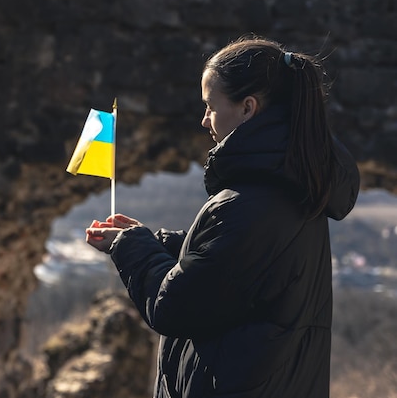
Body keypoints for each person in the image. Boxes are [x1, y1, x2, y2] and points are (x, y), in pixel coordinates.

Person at [85, 36, 360, 398]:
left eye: (210, 106)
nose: (203, 120)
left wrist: (130, 248)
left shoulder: (249, 203)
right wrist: (157, 243)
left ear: (248, 108)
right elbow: (237, 271)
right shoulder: (294, 186)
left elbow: (175, 306)